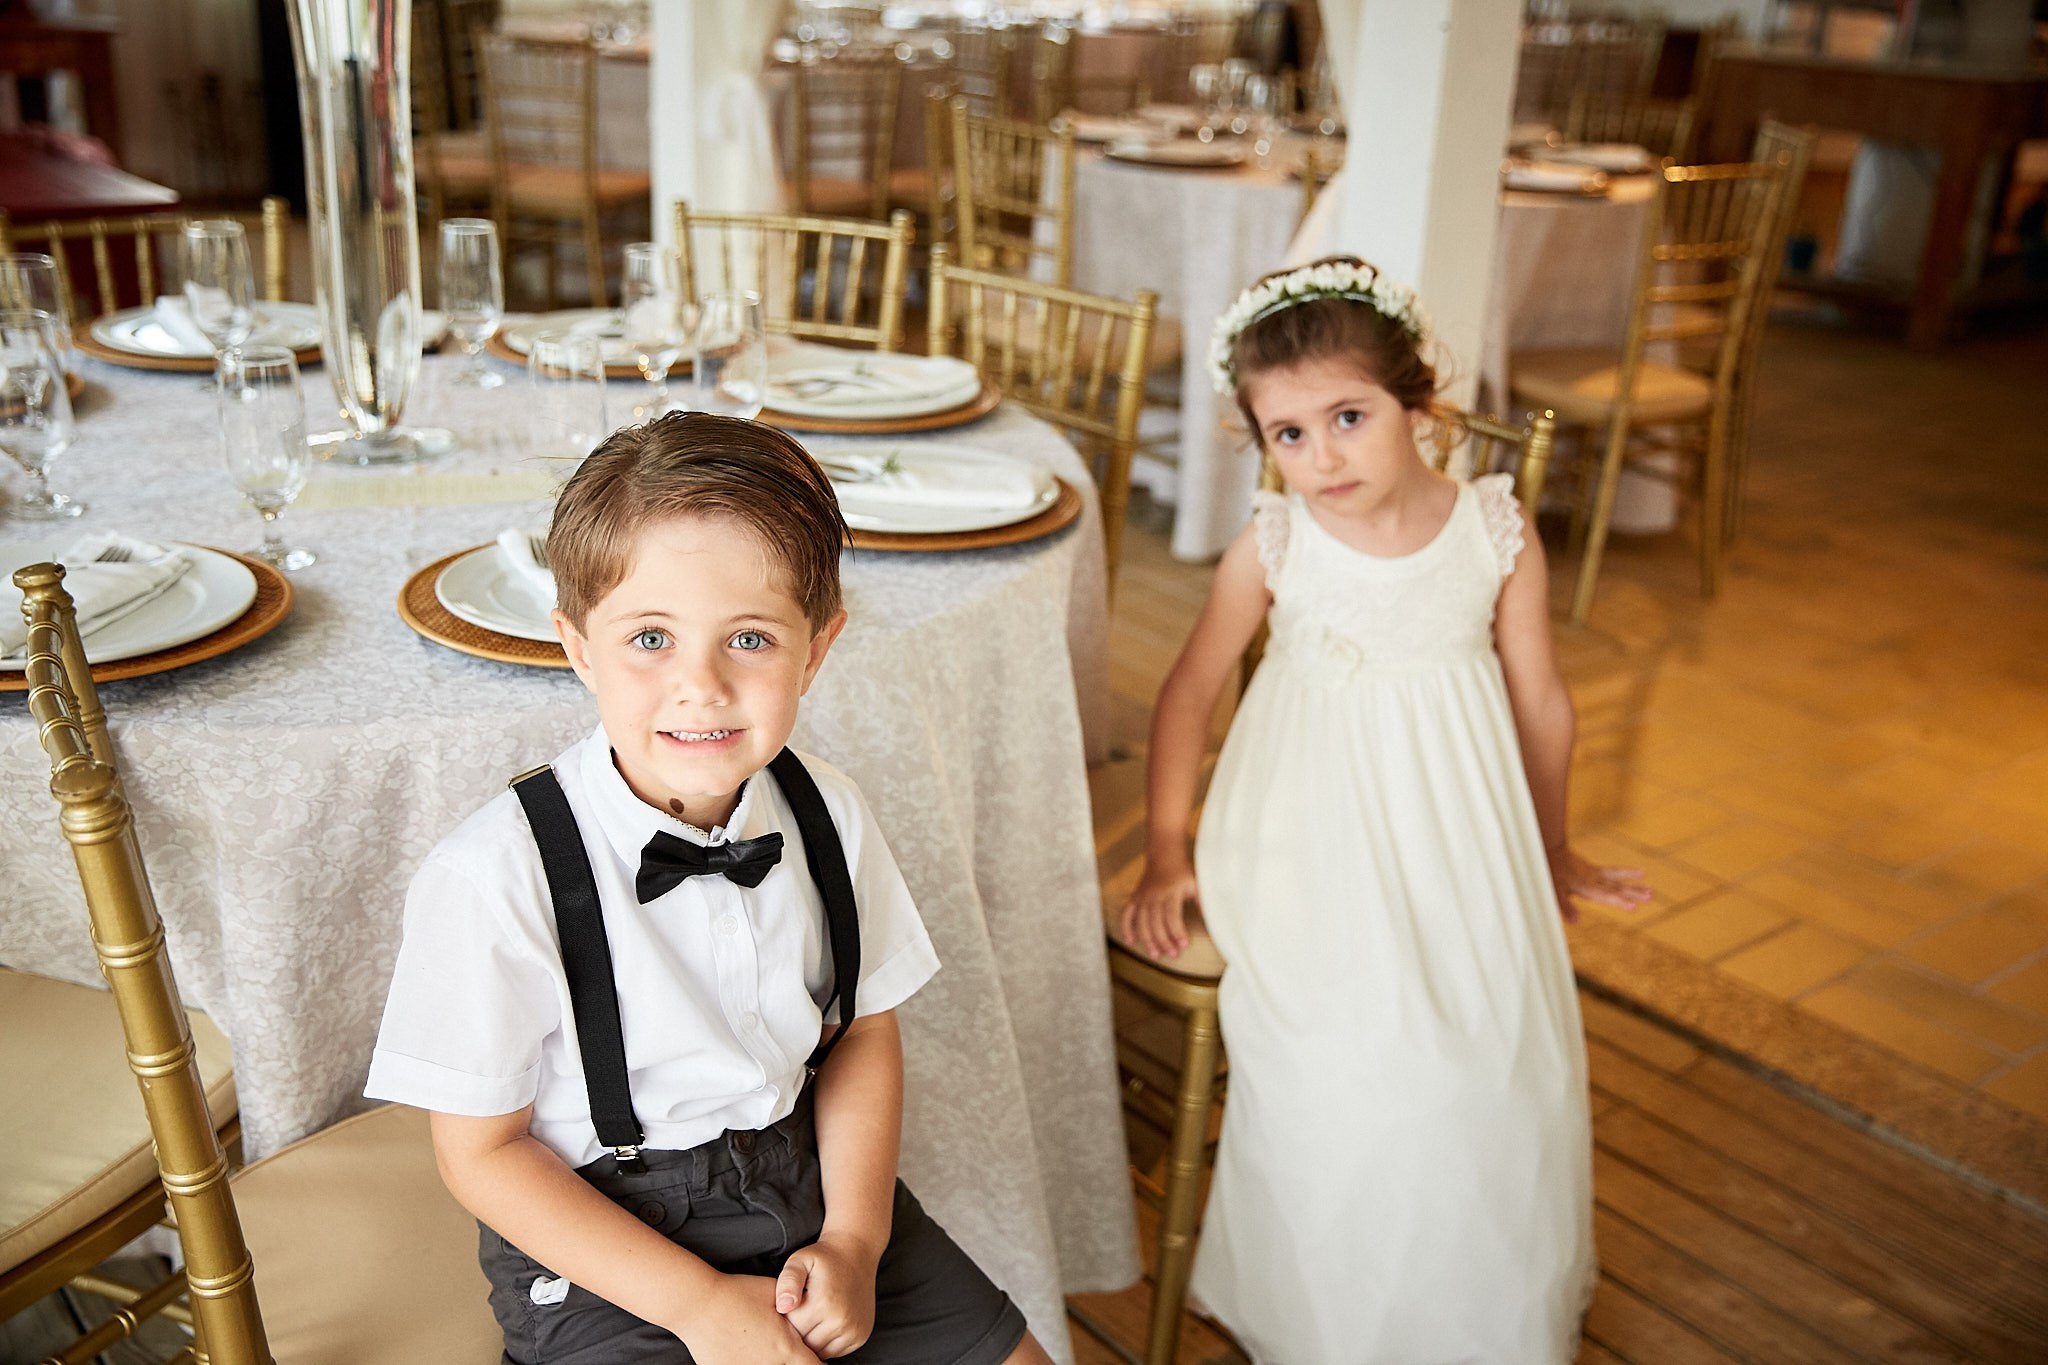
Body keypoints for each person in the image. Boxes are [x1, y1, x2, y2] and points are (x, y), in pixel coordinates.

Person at [366, 412, 1052, 1365]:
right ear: (578, 646)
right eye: (651, 636)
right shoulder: (493, 874)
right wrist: (697, 1304)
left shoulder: (827, 812)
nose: (701, 685)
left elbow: (861, 1032)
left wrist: (857, 1239)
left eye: (751, 638)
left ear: (816, 649)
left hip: (809, 1179)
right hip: (606, 1243)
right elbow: (482, 1154)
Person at [1121, 258, 1651, 1362]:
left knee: (1486, 1061)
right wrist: (1167, 849)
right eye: (1288, 434)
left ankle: (1468, 1311)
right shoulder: (1272, 544)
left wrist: (1550, 844)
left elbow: (1541, 702)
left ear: (1419, 405)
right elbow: (1188, 690)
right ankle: (1333, 1317)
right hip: (1300, 839)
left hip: (1458, 828)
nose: (1321, 457)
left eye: (1348, 417)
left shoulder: (1493, 530)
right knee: (1356, 1064)